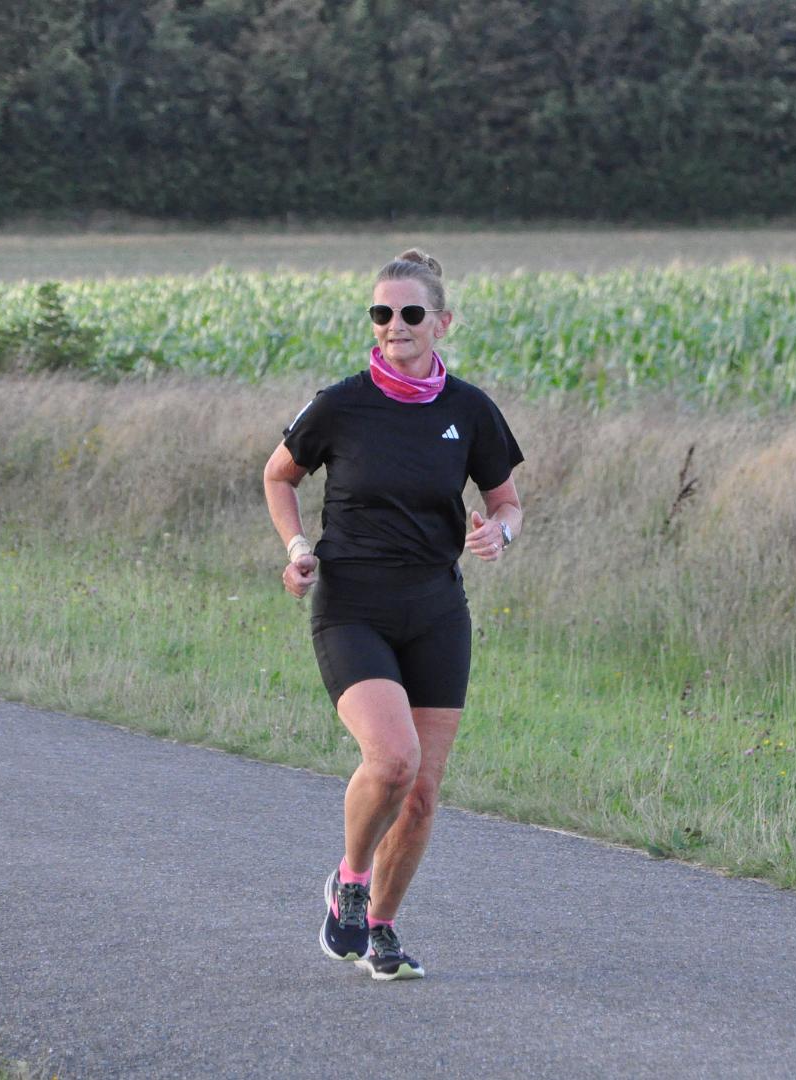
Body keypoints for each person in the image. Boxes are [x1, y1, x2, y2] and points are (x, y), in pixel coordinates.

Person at [262, 249, 524, 981]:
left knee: (423, 794)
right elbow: (278, 475)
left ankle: (380, 928)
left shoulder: (469, 410)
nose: (394, 325)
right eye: (381, 312)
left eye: (410, 313)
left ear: (442, 322)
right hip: (352, 606)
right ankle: (349, 882)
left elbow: (506, 502)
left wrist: (499, 534)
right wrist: (297, 547)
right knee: (393, 761)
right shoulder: (340, 405)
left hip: (436, 610)